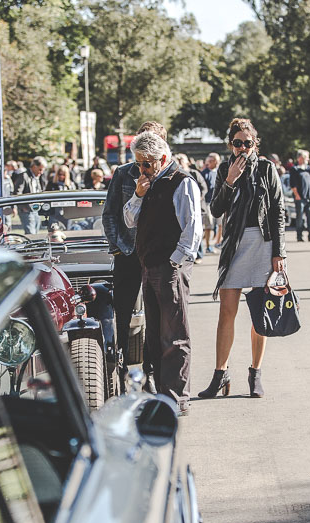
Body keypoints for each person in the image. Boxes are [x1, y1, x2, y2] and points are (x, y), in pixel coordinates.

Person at [199, 118, 286, 399]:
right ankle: (220, 373)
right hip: (234, 244)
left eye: (248, 143)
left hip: (263, 243)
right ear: (230, 145)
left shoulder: (266, 168)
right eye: (237, 143)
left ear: (255, 144)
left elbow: (278, 212)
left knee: (260, 313)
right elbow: (215, 209)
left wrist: (279, 253)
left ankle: (256, 373)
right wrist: (229, 182)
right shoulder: (224, 169)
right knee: (227, 312)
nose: (243, 148)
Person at [123, 131, 201, 416]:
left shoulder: (182, 182)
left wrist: (175, 262)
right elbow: (129, 220)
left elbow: (192, 230)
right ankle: (158, 395)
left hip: (170, 268)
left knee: (175, 335)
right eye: (139, 164)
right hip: (149, 267)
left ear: (163, 159)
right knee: (154, 335)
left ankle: (177, 398)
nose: (142, 169)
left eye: (147, 163)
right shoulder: (146, 184)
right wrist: (138, 193)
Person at [103, 121, 166, 393]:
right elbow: (110, 214)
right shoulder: (123, 174)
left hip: (155, 256)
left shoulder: (170, 175)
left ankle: (149, 372)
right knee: (123, 315)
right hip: (127, 254)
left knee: (155, 316)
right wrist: (119, 247)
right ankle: (118, 371)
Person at [175, 153, 209, 262]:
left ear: (187, 162)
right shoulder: (176, 175)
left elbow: (204, 187)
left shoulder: (194, 173)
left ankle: (199, 255)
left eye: (182, 160)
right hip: (181, 209)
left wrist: (198, 197)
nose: (180, 162)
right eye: (178, 160)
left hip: (198, 208)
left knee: (196, 230)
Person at [13, 156, 47, 233]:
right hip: (26, 210)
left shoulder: (39, 177)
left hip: (37, 209)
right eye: (40, 169)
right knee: (31, 233)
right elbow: (17, 193)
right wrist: (22, 206)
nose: (41, 172)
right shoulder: (24, 176)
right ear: (34, 167)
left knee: (36, 233)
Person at [289, 150, 310, 242]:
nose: (307, 159)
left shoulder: (308, 169)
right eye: (306, 157)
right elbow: (292, 184)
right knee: (300, 217)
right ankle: (299, 236)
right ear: (300, 158)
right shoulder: (295, 169)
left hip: (309, 196)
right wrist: (296, 195)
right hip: (300, 197)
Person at [200, 153, 220, 253]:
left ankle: (215, 243)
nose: (213, 163)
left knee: (218, 225)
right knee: (209, 225)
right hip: (207, 202)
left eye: (214, 160)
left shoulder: (219, 172)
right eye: (211, 161)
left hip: (218, 202)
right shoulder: (204, 173)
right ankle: (208, 246)